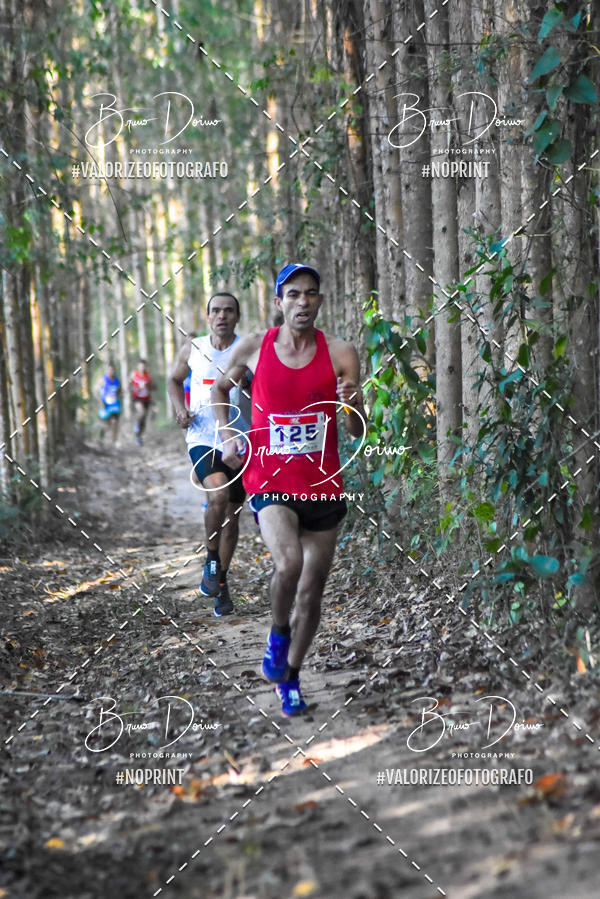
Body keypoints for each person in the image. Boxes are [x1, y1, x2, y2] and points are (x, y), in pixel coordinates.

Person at [211, 264, 365, 715]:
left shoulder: (340, 353)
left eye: (311, 294)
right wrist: (226, 434)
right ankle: (278, 635)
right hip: (269, 479)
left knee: (312, 590)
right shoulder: (255, 348)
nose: (303, 302)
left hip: (323, 484)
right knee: (290, 562)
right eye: (293, 294)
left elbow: (355, 430)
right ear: (279, 302)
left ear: (319, 301)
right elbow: (220, 391)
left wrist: (353, 405)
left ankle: (291, 675)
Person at [167, 292, 251, 617]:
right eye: (216, 311)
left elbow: (260, 388)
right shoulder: (193, 347)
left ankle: (221, 582)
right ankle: (211, 559)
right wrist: (179, 409)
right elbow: (173, 380)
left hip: (240, 439)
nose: (222, 316)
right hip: (201, 435)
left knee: (232, 514)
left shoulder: (247, 350)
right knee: (218, 495)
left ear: (237, 316)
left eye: (229, 311)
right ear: (207, 317)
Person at [130, 359, 154, 445]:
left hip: (146, 398)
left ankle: (139, 436)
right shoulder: (134, 375)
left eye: (143, 366)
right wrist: (136, 389)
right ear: (138, 366)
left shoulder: (148, 375)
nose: (142, 367)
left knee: (144, 419)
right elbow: (130, 386)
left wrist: (149, 386)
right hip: (137, 398)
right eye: (140, 366)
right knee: (142, 412)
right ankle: (136, 426)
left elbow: (153, 386)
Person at [98, 363, 121, 443]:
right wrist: (101, 402)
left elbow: (119, 391)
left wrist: (120, 394)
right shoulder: (103, 379)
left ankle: (115, 440)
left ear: (114, 370)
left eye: (112, 370)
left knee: (115, 422)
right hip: (105, 404)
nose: (110, 371)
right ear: (107, 370)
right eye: (109, 370)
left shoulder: (117, 380)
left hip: (114, 404)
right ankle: (101, 439)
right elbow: (97, 391)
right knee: (105, 425)